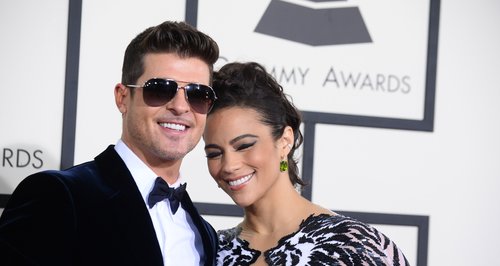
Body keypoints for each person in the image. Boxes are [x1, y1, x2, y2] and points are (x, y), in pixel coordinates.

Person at [0, 21, 219, 266]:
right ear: (122, 97)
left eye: (198, 94)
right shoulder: (58, 196)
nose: (180, 107)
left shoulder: (206, 235)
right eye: (160, 89)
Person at [203, 62, 410, 265]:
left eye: (244, 145)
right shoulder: (212, 252)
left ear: (284, 141)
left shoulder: (353, 245)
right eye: (214, 153)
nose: (229, 165)